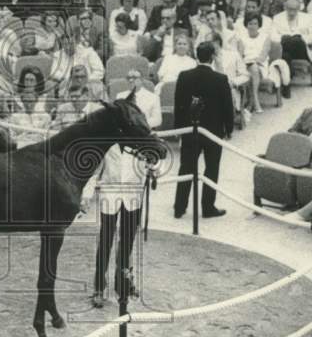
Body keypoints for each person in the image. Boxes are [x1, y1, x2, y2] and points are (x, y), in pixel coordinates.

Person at [84, 81, 161, 307]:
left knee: (127, 244)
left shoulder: (139, 139)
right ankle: (99, 287)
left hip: (133, 198)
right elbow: (94, 170)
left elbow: (155, 162)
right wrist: (86, 197)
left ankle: (124, 283)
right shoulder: (104, 142)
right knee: (105, 243)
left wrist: (152, 167)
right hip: (109, 197)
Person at [173, 41, 233, 220]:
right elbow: (227, 107)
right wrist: (229, 129)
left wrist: (179, 129)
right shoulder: (220, 79)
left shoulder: (184, 76)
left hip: (190, 130)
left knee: (186, 167)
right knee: (212, 169)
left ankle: (179, 207)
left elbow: (179, 105)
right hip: (213, 131)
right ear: (213, 57)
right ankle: (208, 207)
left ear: (196, 55)